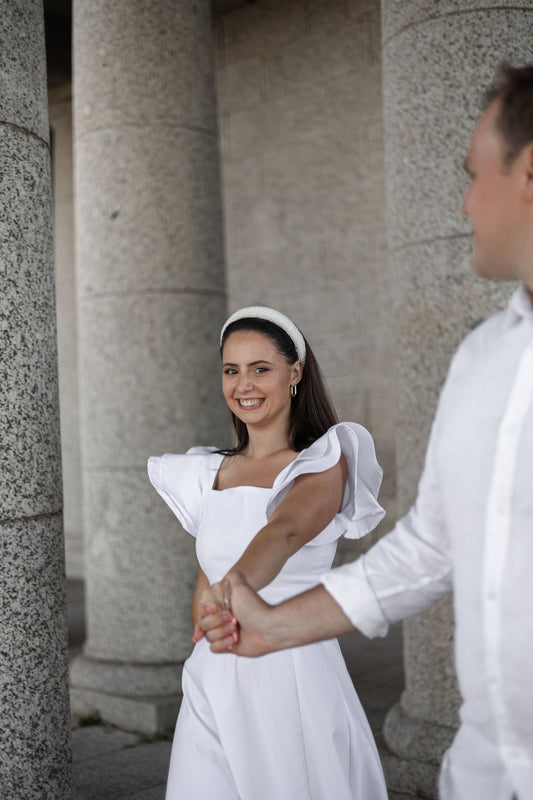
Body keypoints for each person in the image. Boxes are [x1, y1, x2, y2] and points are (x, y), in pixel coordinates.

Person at [201, 63, 533, 800]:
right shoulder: (481, 360)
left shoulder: (322, 459)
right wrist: (279, 625)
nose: (463, 202)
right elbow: (430, 548)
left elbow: (289, 527)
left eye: (474, 175)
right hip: (481, 775)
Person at [148, 305, 389, 800]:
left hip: (292, 671)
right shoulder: (207, 473)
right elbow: (207, 574)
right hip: (215, 674)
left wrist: (229, 595)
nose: (245, 384)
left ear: (295, 372)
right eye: (231, 370)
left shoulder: (322, 461)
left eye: (261, 368)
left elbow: (282, 533)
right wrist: (206, 632)